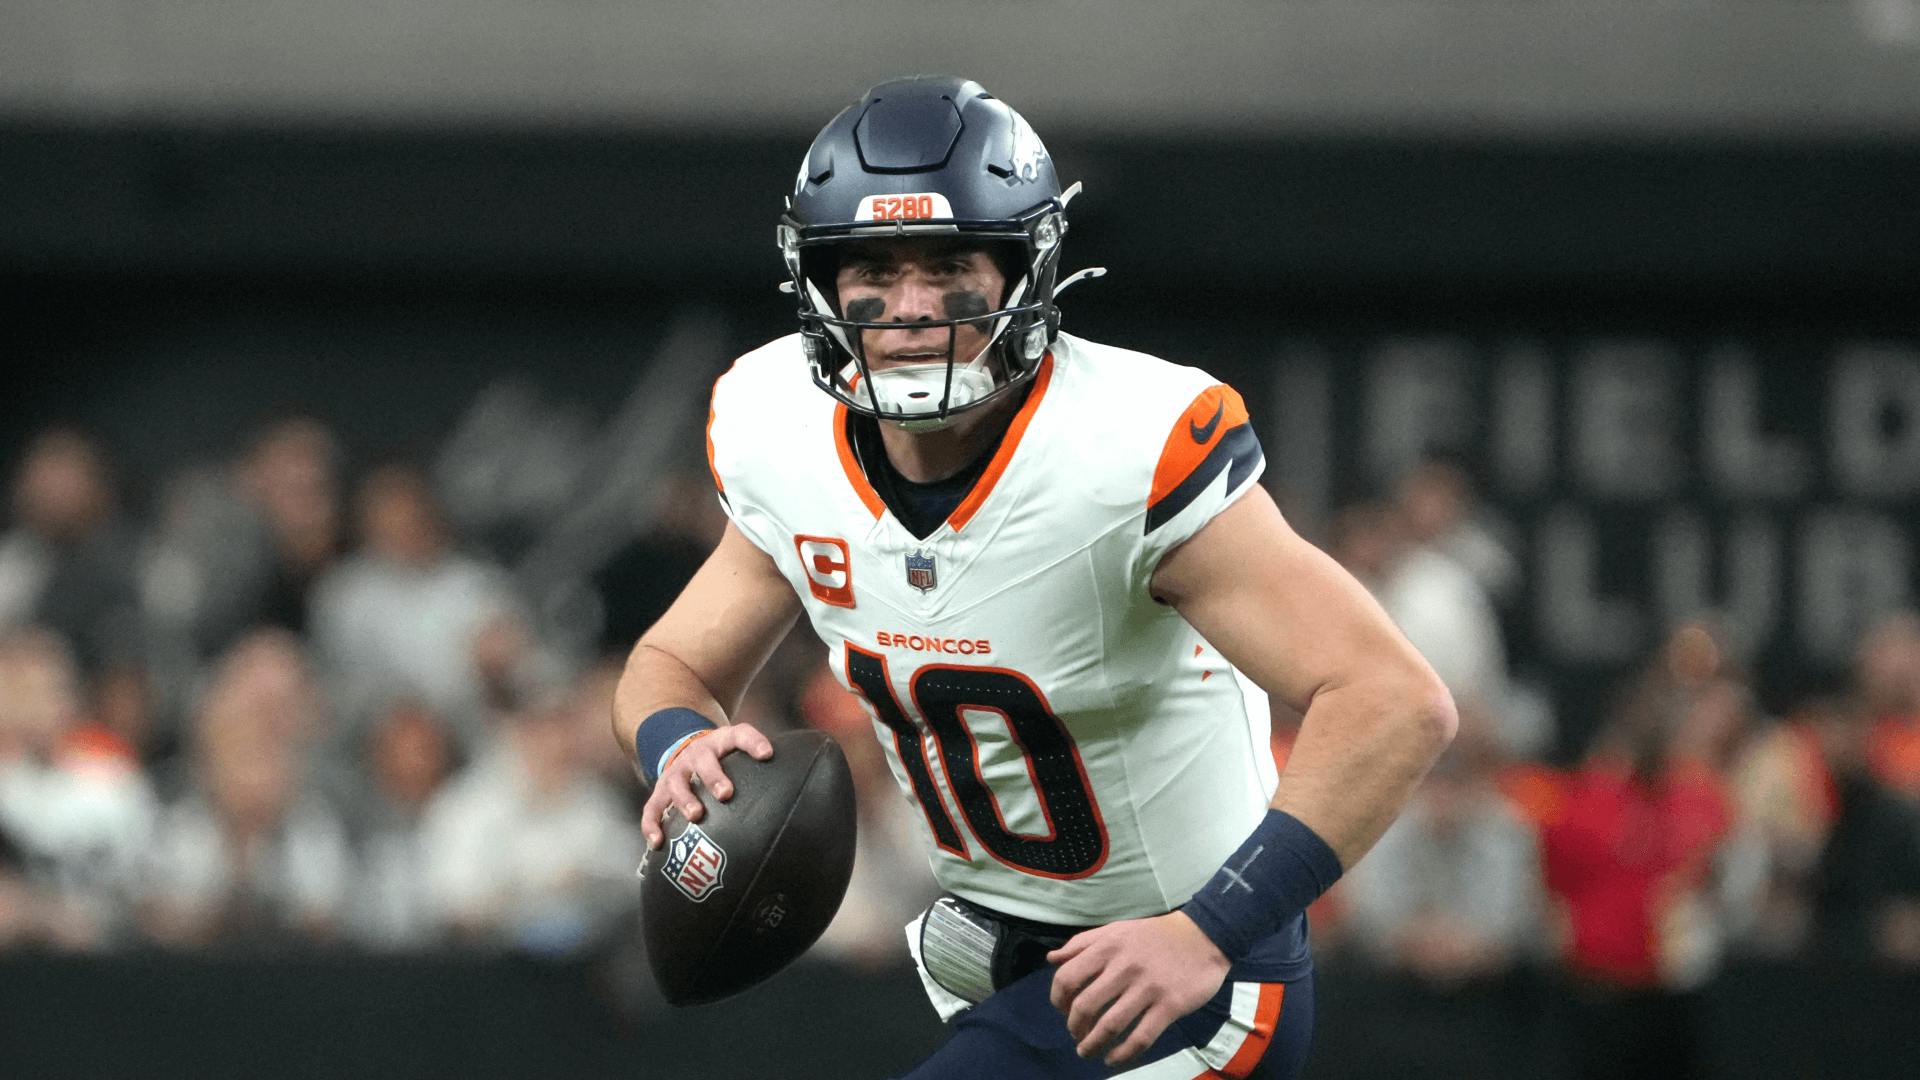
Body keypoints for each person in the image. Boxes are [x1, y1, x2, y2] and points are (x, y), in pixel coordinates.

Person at [612, 76, 1456, 1078]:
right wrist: (677, 746)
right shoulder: (779, 433)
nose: (913, 307)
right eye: (875, 267)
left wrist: (1209, 929)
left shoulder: (1122, 450)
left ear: (1026, 272)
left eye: (951, 267)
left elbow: (1395, 701)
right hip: (996, 958)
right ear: (821, 282)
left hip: (1175, 975)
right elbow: (668, 664)